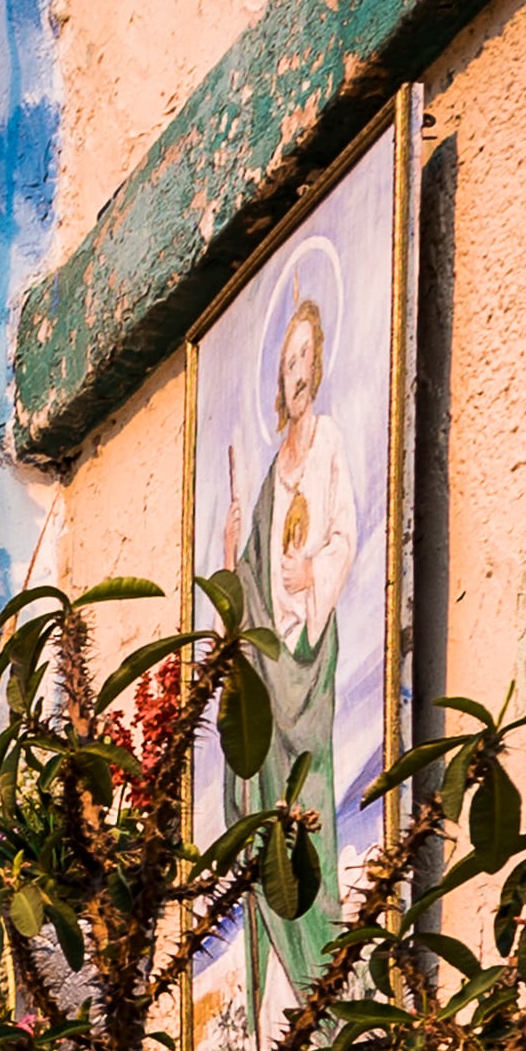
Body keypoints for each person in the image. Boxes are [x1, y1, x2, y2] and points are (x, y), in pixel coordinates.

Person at [216, 284, 356, 1012]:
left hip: (308, 663)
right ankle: (291, 993)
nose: (295, 372)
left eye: (305, 357)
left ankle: (328, 981)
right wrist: (238, 541)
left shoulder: (328, 441)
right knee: (270, 820)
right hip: (270, 680)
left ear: (318, 366)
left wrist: (314, 572)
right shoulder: (272, 469)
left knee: (311, 821)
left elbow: (346, 535)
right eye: (286, 360)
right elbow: (250, 577)